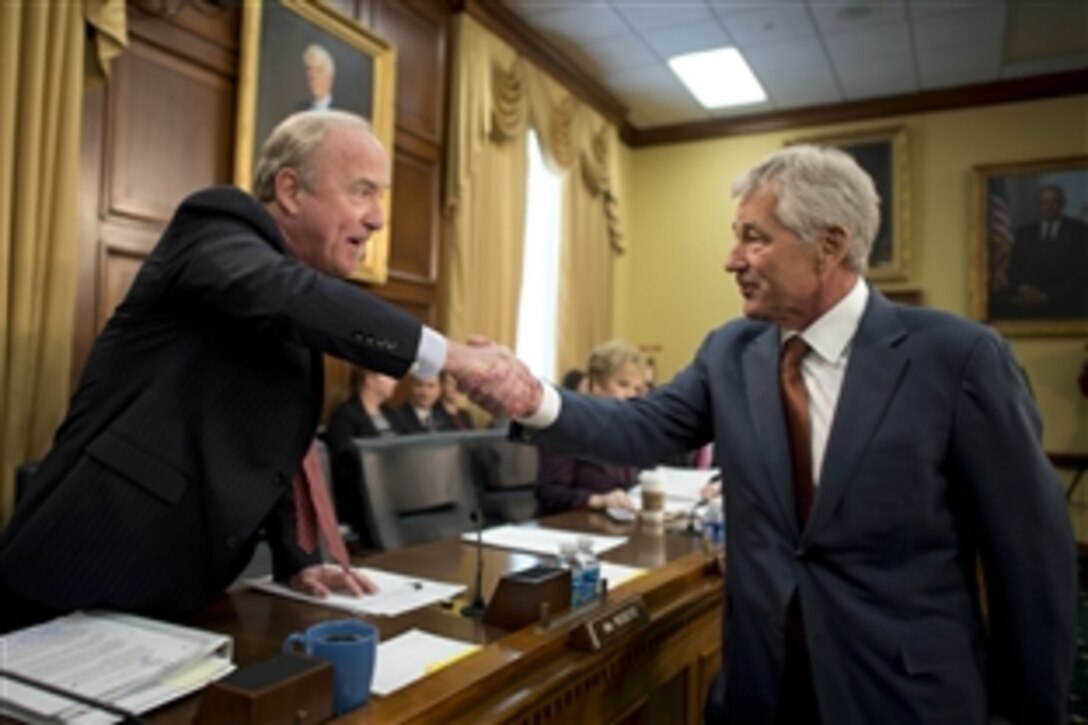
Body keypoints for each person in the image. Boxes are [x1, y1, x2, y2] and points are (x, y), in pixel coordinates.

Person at [466, 145, 1076, 723]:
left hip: (902, 697)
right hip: (761, 692)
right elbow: (640, 427)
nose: (733, 259)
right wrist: (532, 397)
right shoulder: (730, 352)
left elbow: (1031, 562)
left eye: (753, 238)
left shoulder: (958, 357)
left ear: (828, 245)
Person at [0, 110, 505, 633]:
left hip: (179, 602)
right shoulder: (215, 227)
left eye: (382, 196)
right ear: (289, 189)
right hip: (76, 575)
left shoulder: (297, 305)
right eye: (362, 191)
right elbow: (286, 296)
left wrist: (301, 560)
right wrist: (449, 356)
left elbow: (274, 452)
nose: (378, 217)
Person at [535, 340, 644, 516]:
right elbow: (549, 494)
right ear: (596, 384)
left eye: (637, 390)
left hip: (614, 527)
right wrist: (597, 500)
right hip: (567, 529)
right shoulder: (566, 426)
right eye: (623, 385)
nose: (631, 395)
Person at [995, 183, 1088, 319]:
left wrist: (1045, 296)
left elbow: (1081, 274)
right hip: (1027, 307)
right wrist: (1025, 289)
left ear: (1062, 204)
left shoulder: (1079, 232)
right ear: (1038, 205)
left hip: (1066, 306)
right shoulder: (1024, 233)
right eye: (1044, 202)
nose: (1049, 207)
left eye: (1054, 202)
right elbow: (1014, 269)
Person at [298, 44, 335, 111]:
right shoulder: (300, 111)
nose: (313, 76)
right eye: (310, 70)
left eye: (319, 70)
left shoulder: (342, 113)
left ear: (329, 78)